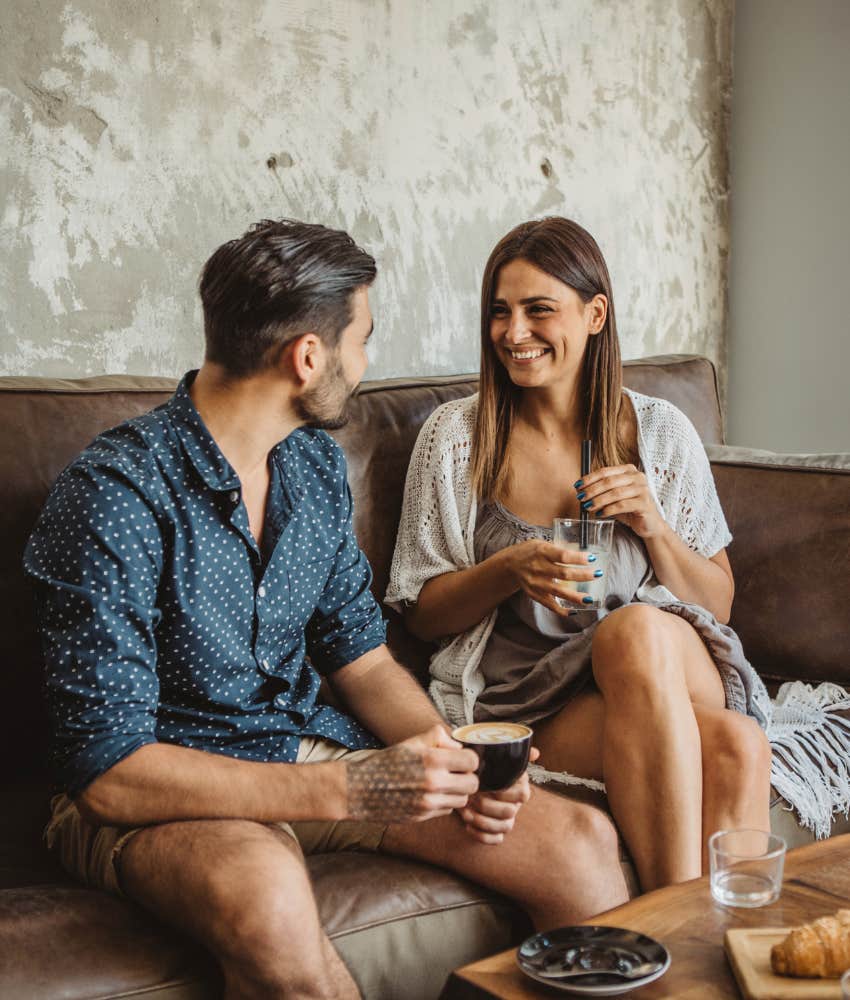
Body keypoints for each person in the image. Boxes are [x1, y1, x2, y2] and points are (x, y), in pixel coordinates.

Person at [24, 219, 629, 1000]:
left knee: (577, 843)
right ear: (308, 357)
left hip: (299, 749)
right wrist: (346, 789)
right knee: (268, 898)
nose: (365, 362)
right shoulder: (113, 497)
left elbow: (364, 658)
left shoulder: (310, 467)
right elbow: (108, 774)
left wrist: (455, 759)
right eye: (362, 340)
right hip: (167, 786)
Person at [387, 216, 774, 894]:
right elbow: (419, 614)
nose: (514, 333)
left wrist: (652, 524)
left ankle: (668, 935)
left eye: (539, 310)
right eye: (500, 313)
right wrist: (508, 568)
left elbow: (717, 605)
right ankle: (706, 952)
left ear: (595, 314)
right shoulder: (456, 438)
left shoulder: (658, 432)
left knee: (636, 630)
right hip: (533, 696)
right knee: (737, 746)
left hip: (664, 664)